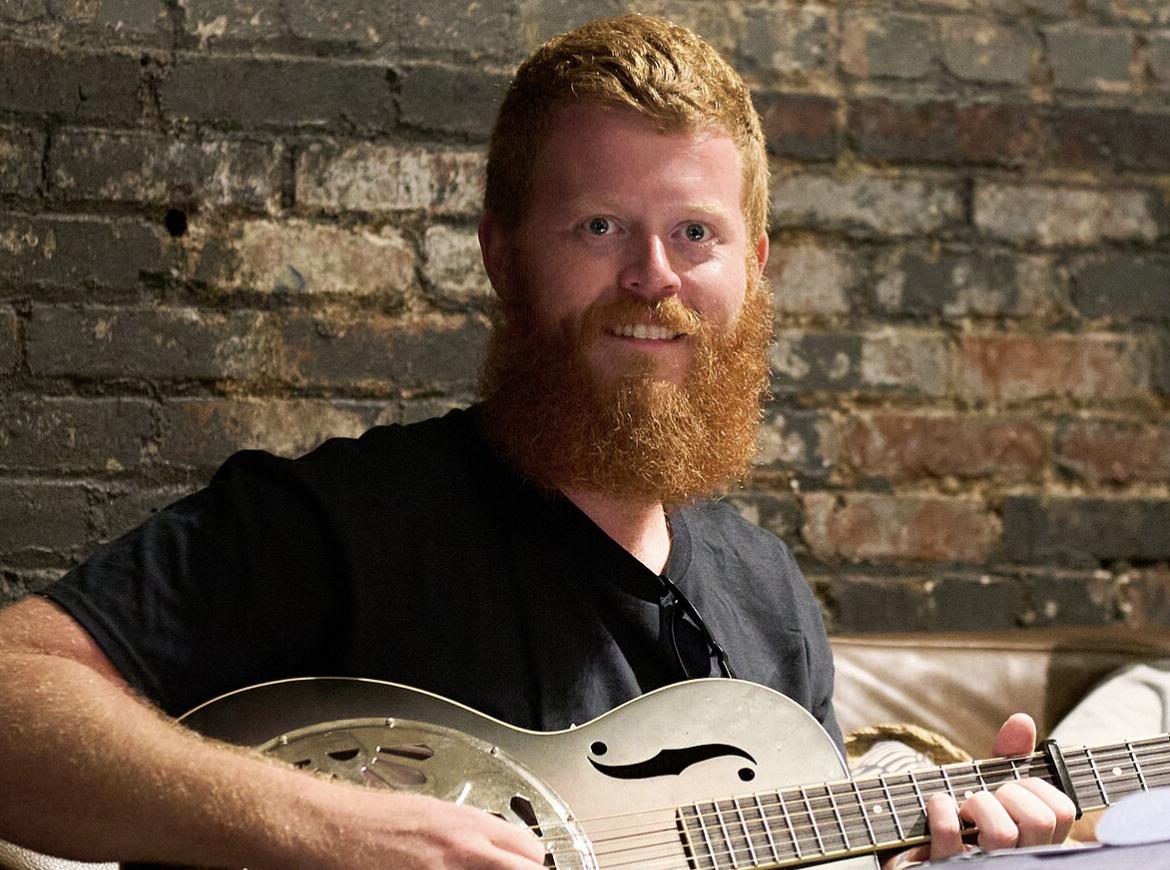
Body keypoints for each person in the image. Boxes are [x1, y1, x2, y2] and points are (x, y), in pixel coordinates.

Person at [0, 14, 1074, 869]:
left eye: (696, 232)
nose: (653, 276)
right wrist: (330, 830)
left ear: (753, 271)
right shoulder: (345, 524)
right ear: (503, 256)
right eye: (600, 226)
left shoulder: (768, 595)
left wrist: (922, 852)